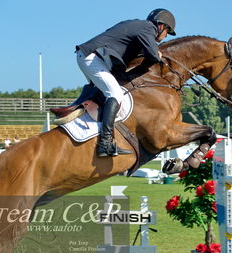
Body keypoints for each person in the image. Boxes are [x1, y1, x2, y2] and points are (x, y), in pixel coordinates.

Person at [75, 8, 176, 157]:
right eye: (167, 31)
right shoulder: (148, 27)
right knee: (115, 93)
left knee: (108, 93)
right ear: (161, 26)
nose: (166, 36)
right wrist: (158, 54)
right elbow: (153, 55)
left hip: (91, 57)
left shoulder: (139, 27)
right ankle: (105, 143)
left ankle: (94, 131)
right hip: (92, 58)